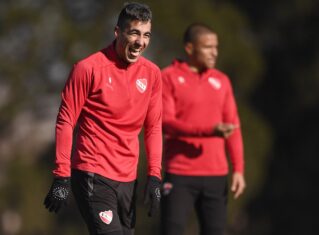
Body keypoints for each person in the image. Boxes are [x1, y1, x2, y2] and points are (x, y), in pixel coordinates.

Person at [43, 3, 162, 235]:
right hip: (93, 173)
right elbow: (66, 120)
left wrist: (155, 176)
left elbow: (154, 127)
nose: (140, 42)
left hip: (128, 178)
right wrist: (61, 176)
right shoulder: (88, 69)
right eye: (134, 33)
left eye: (146, 35)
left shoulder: (153, 74)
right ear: (118, 32)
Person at [160, 23, 246, 235]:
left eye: (216, 47)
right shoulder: (168, 77)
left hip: (216, 175)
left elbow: (233, 127)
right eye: (208, 47)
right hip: (179, 173)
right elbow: (166, 122)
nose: (214, 52)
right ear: (189, 48)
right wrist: (208, 131)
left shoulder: (222, 81)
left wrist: (238, 169)